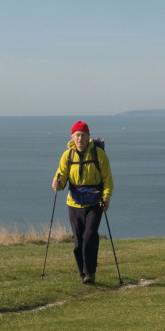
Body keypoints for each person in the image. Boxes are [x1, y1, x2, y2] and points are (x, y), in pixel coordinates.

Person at [52, 121, 113, 284]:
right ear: (72, 137)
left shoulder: (99, 155)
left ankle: (90, 273)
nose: (80, 138)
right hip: (74, 203)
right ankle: (83, 273)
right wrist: (57, 183)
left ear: (88, 137)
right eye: (77, 135)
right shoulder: (67, 155)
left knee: (89, 236)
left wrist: (106, 198)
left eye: (83, 135)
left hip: (96, 202)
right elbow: (62, 175)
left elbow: (108, 180)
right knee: (78, 241)